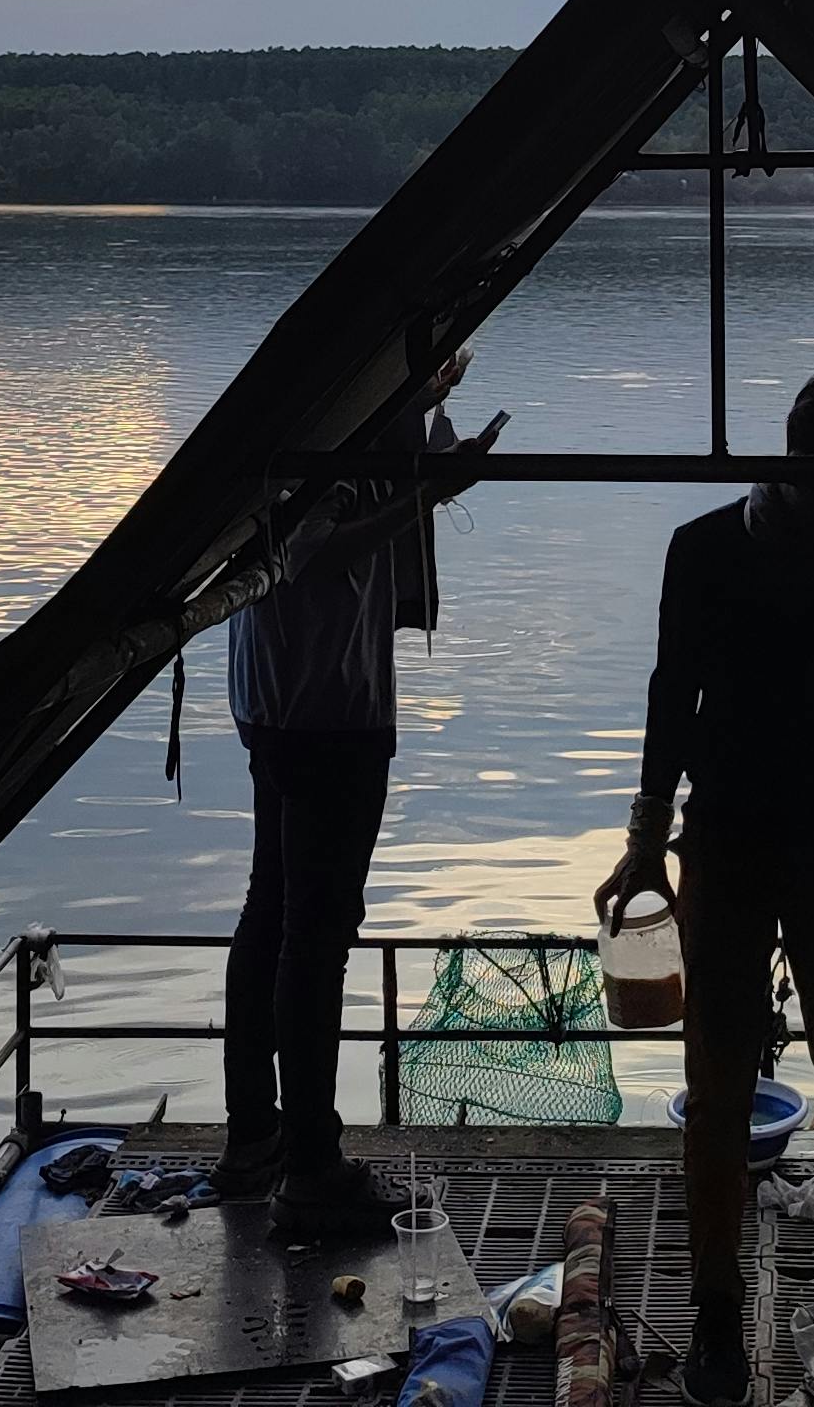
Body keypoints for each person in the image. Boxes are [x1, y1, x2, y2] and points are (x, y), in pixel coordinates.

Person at [596, 371, 814, 1403]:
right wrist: (646, 836)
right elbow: (672, 686)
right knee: (714, 1068)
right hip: (731, 834)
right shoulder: (704, 549)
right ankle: (715, 1308)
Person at [222, 348, 493, 1237]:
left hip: (279, 707)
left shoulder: (309, 421)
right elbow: (309, 550)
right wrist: (428, 496)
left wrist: (426, 400)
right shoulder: (321, 448)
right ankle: (311, 1162)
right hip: (324, 712)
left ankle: (257, 1136)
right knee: (317, 934)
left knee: (275, 912)